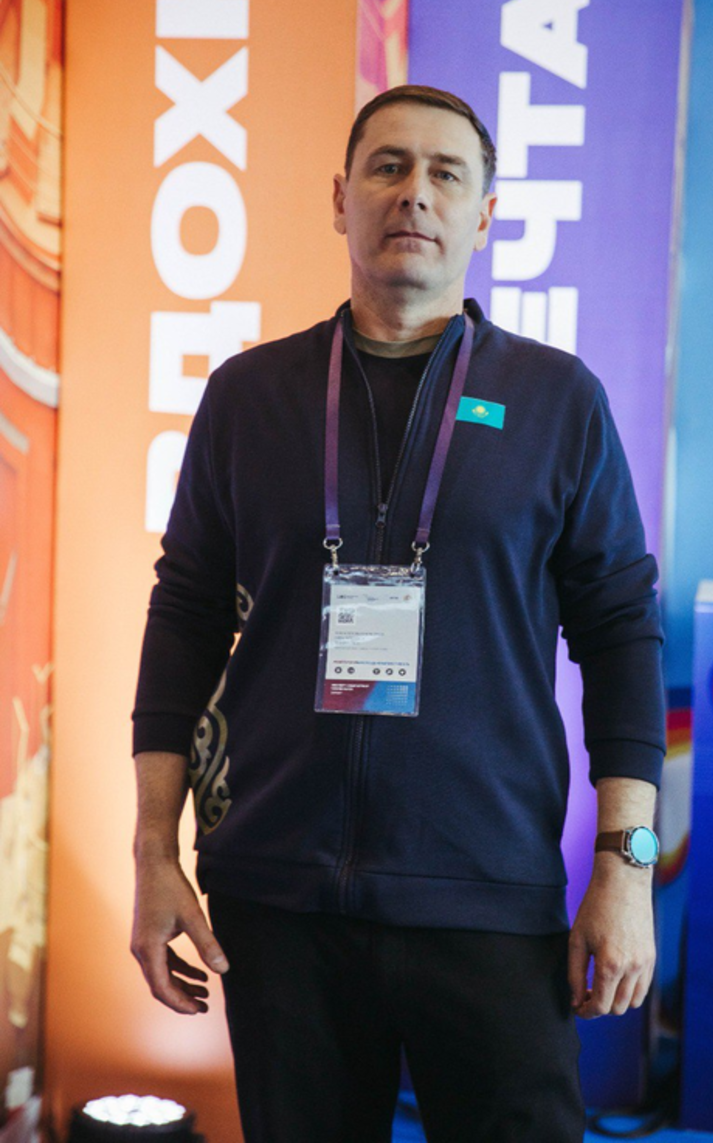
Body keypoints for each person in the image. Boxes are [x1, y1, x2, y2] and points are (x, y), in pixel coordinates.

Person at [131, 85, 665, 1143]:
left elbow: (618, 632)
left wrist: (625, 863)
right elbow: (184, 615)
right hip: (277, 898)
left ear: (485, 214)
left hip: (484, 892)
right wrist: (153, 850)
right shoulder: (249, 395)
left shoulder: (557, 402)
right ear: (339, 198)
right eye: (387, 166)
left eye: (444, 173)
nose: (414, 192)